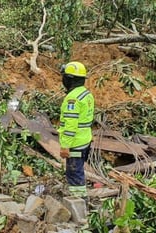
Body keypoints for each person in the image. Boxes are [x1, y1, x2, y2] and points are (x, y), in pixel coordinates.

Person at [58, 61, 94, 199]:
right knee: (78, 172)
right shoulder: (86, 94)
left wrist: (65, 146)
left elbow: (70, 126)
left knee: (74, 174)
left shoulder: (72, 99)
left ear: (68, 79)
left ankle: (79, 205)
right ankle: (80, 201)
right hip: (85, 140)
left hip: (76, 143)